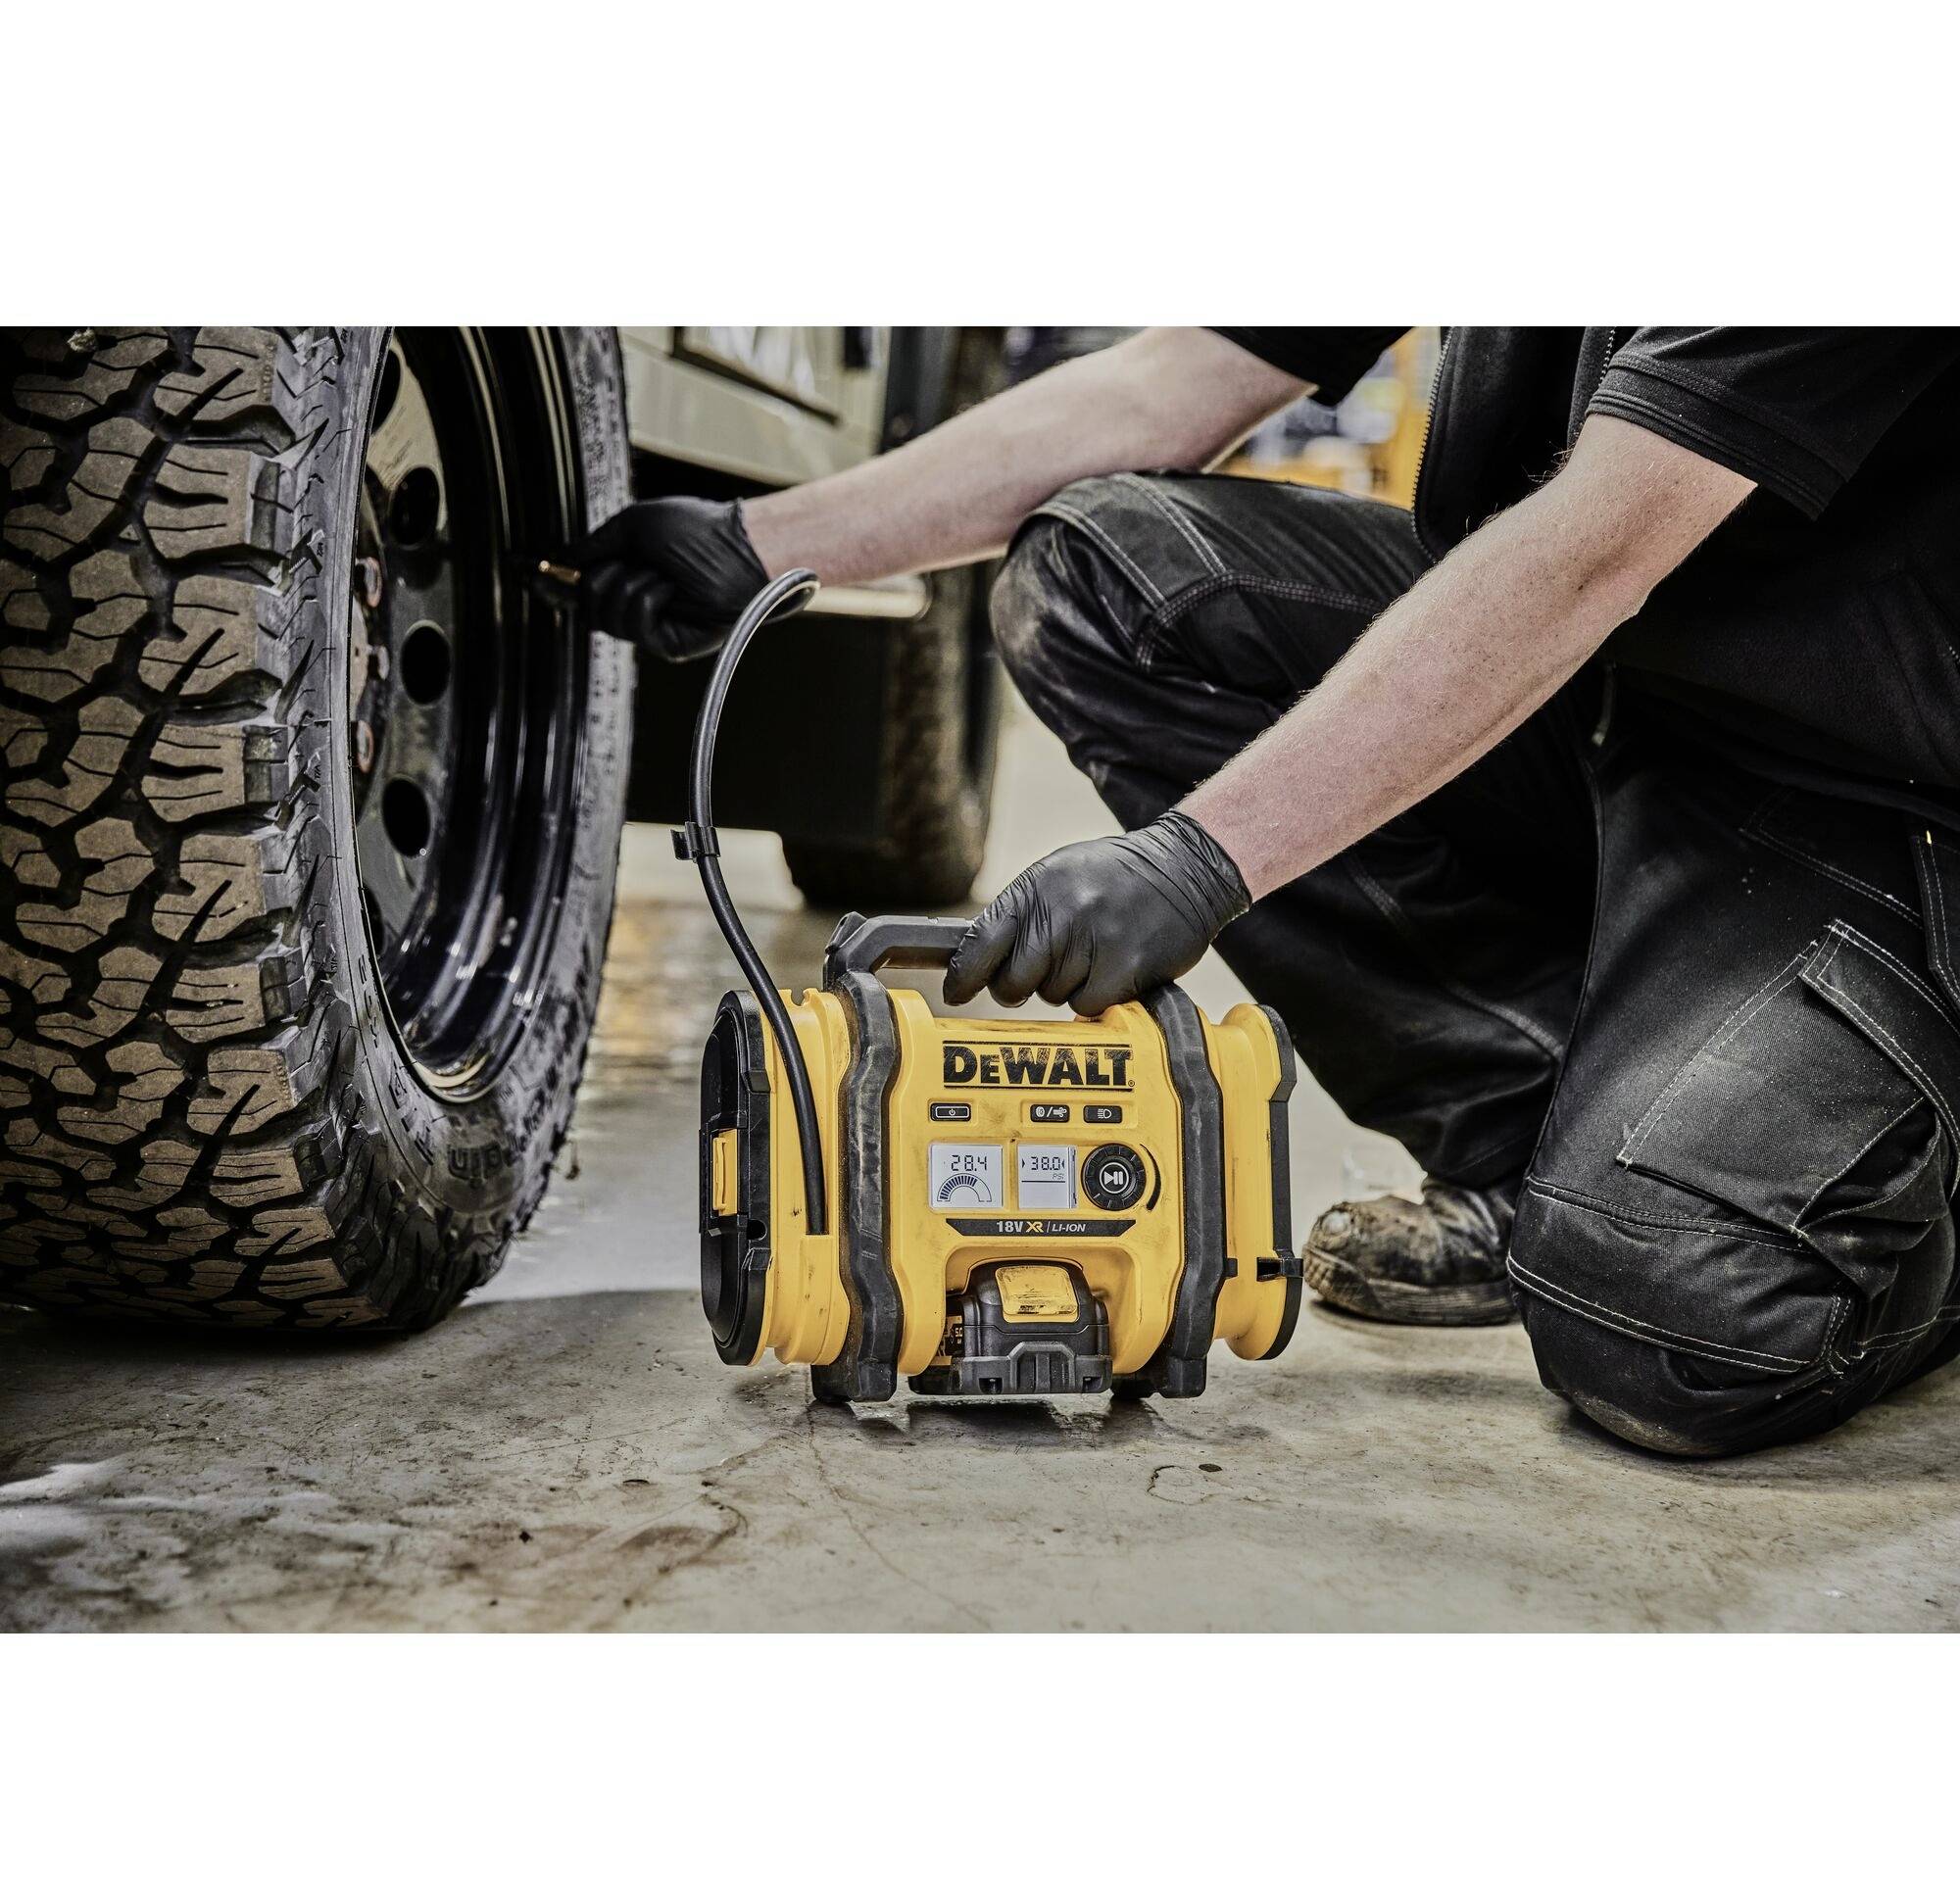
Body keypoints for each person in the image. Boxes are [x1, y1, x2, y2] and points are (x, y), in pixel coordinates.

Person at [570, 327, 1960, 1457]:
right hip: (1597, 701)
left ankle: (1887, 1195)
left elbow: (1598, 545)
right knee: (1114, 578)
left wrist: (1204, 856)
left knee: (1674, 1330)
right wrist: (764, 543)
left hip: (1845, 787)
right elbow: (1175, 380)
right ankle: (1526, 1143)